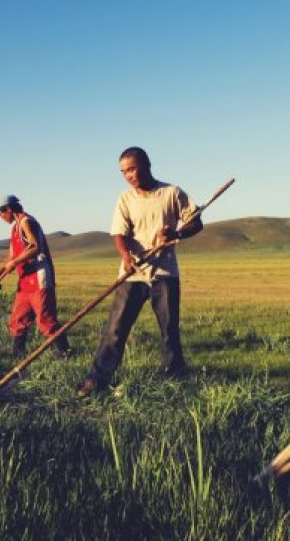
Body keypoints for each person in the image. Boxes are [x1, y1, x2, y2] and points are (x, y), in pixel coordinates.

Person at [76, 147, 203, 397]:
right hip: (132, 274)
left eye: (132, 169)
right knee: (115, 329)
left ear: (146, 165)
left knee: (169, 331)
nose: (128, 176)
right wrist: (126, 257)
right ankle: (96, 380)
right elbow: (118, 234)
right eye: (124, 172)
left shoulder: (172, 193)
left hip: (165, 273)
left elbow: (195, 222)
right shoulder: (125, 199)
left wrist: (176, 233)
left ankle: (174, 380)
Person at [0, 194, 71, 359]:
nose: (0, 217)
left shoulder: (27, 222)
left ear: (9, 209)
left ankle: (64, 352)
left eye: (1, 213)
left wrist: (16, 262)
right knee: (18, 318)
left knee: (46, 319)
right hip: (25, 279)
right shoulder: (15, 228)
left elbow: (35, 247)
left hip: (40, 277)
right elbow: (12, 255)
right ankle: (17, 353)